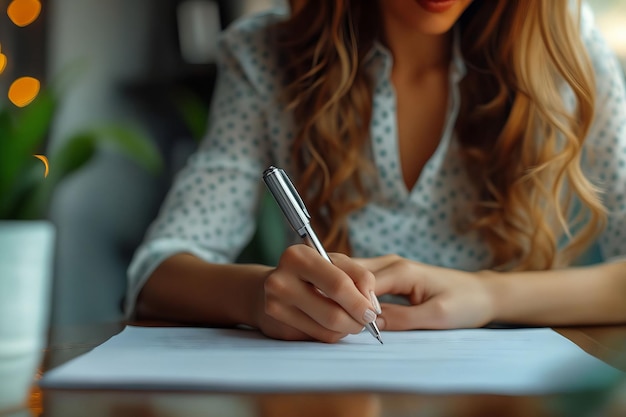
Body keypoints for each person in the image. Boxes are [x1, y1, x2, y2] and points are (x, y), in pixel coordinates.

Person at [126, 0, 626, 343]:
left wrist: (489, 294)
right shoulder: (267, 56)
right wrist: (258, 297)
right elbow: (154, 276)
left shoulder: (564, 48)